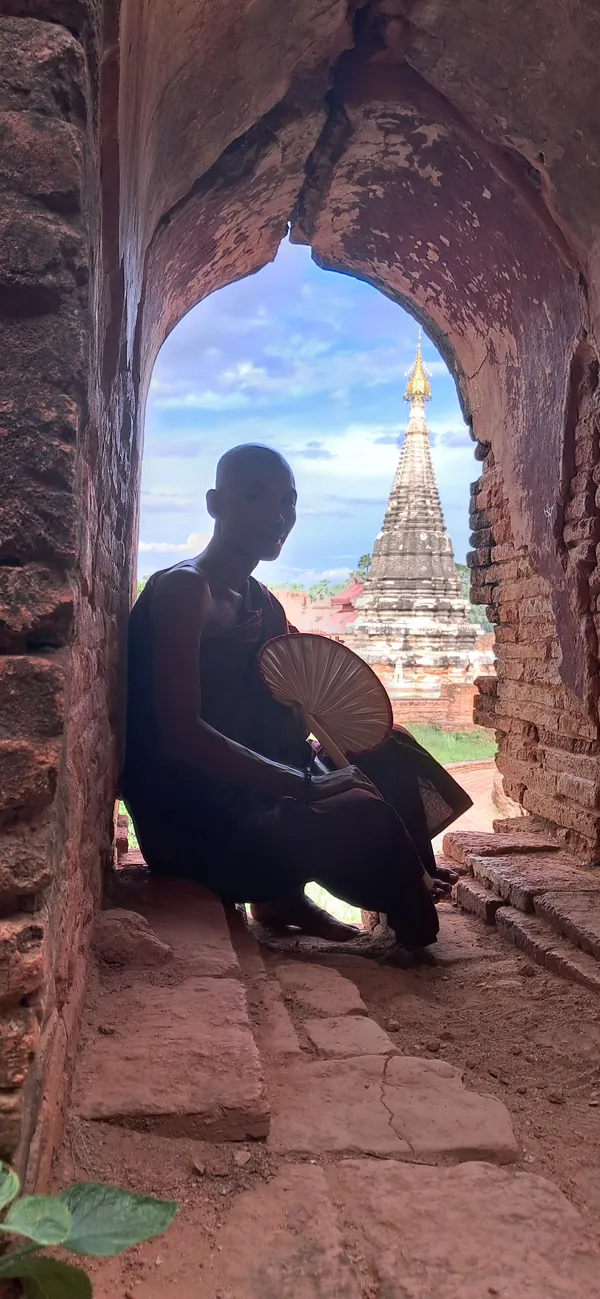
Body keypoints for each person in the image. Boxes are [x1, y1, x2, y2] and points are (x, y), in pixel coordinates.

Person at [121, 445, 472, 951]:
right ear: (215, 504)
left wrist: (328, 752)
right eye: (255, 496)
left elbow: (293, 686)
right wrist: (303, 784)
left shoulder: (259, 599)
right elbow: (180, 734)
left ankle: (290, 898)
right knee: (362, 813)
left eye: (287, 502)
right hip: (197, 810)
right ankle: (403, 914)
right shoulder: (184, 591)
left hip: (256, 783)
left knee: (390, 751)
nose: (276, 515)